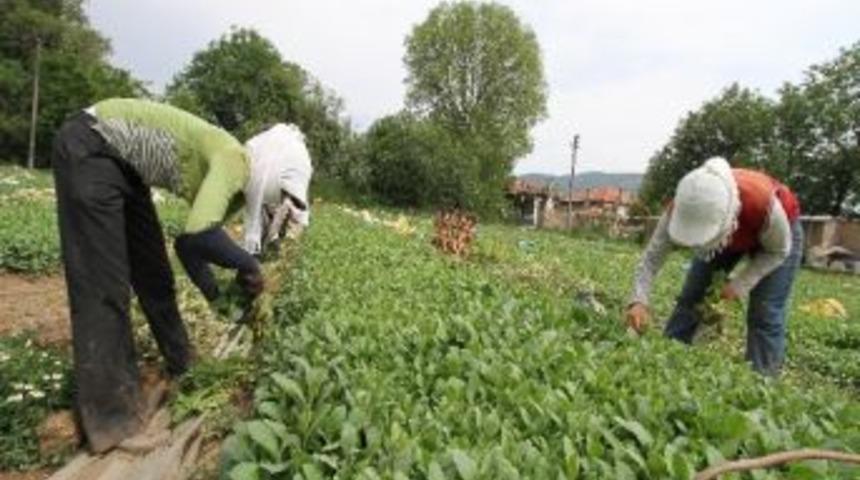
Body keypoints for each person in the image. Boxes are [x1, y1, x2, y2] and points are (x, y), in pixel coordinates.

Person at [51, 98, 311, 453]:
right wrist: (249, 266)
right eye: (279, 195)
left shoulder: (236, 190)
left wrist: (217, 294)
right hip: (93, 147)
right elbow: (200, 236)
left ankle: (183, 365)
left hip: (126, 169)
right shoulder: (234, 160)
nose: (275, 206)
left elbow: (189, 247)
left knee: (155, 276)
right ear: (272, 171)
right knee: (103, 289)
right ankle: (113, 423)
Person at [626, 157, 802, 375]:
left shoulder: (761, 202)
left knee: (765, 312)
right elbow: (651, 258)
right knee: (693, 295)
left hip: (776, 239)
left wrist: (739, 285)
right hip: (729, 236)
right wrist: (638, 300)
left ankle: (762, 381)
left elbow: (778, 251)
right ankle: (670, 357)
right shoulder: (684, 206)